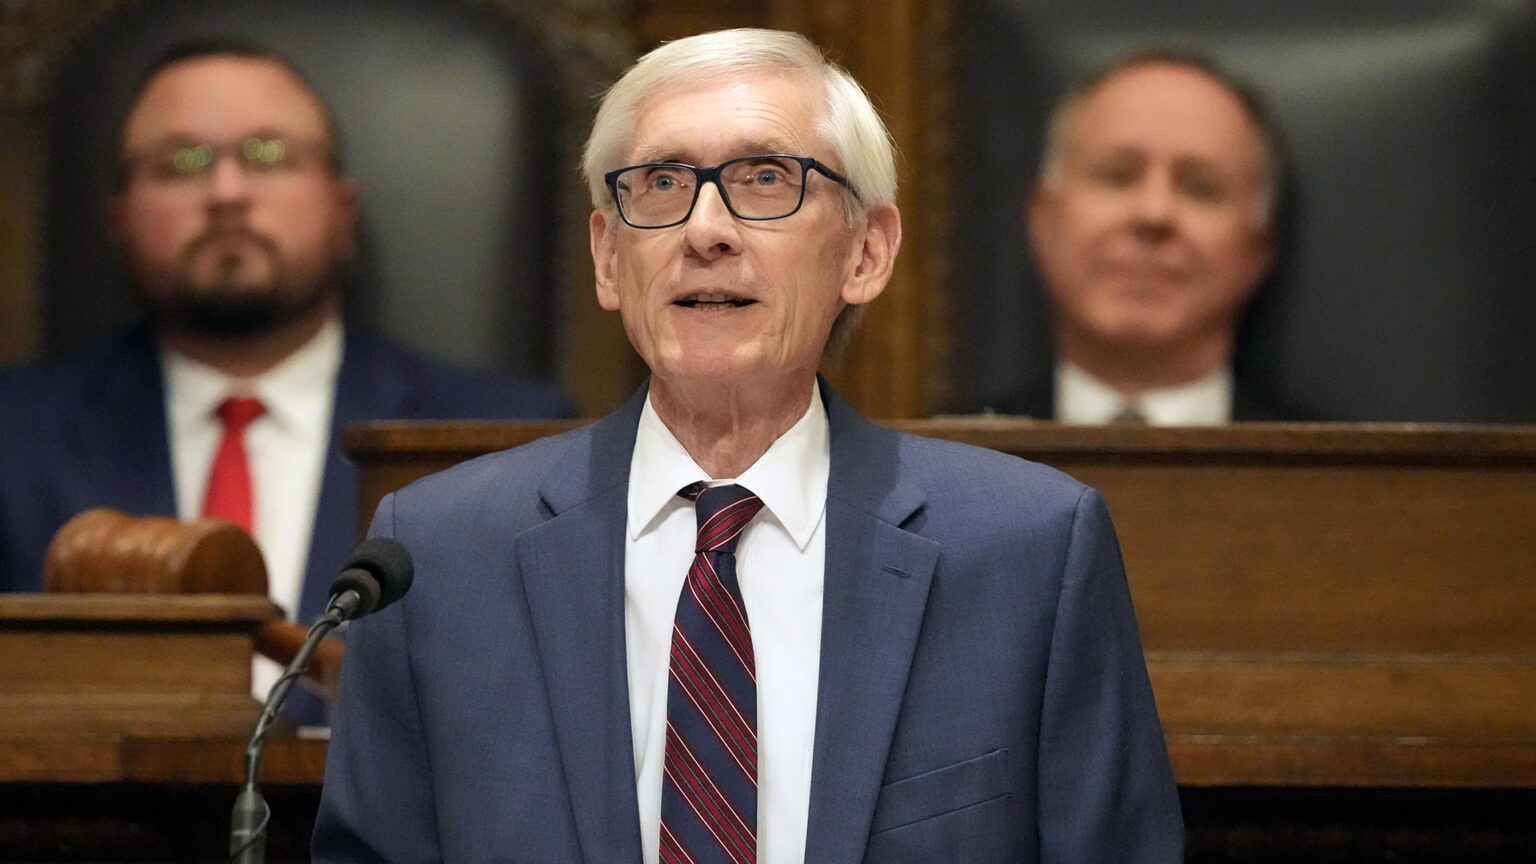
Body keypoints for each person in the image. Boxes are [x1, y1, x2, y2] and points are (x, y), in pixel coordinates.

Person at [314, 28, 1181, 863]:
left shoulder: (1028, 552)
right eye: (660, 183)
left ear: (868, 253)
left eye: (766, 179)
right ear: (609, 259)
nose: (706, 230)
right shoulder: (438, 555)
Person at [0, 40, 571, 716]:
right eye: (181, 162)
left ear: (342, 208)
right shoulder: (15, 436)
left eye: (268, 155)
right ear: (119, 218)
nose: (226, 192)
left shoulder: (501, 442)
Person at [1012, 50, 1289, 424]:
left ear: (1257, 251)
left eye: (1200, 188)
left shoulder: (1341, 475)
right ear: (1044, 221)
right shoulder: (937, 464)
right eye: (1118, 176)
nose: (1153, 213)